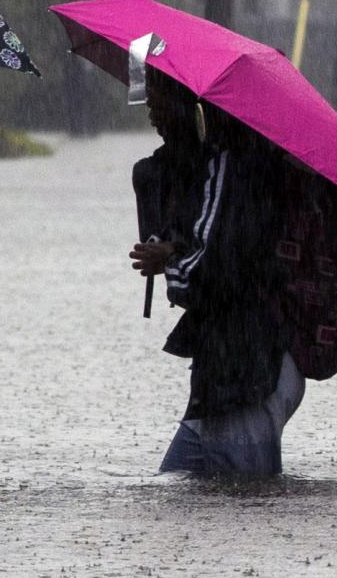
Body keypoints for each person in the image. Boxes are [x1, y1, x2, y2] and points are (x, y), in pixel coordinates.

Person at [128, 74, 305, 477]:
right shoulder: (210, 166)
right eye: (150, 101)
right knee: (178, 487)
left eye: (160, 100)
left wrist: (170, 263)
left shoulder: (233, 167)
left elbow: (222, 262)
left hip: (249, 369)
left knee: (249, 505)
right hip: (223, 373)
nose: (153, 112)